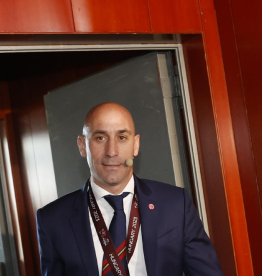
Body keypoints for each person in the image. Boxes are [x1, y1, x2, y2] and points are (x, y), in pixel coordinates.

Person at [36, 102, 224, 276]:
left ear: (135, 145)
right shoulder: (52, 220)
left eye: (122, 137)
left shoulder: (176, 204)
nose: (112, 151)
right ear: (82, 146)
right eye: (100, 137)